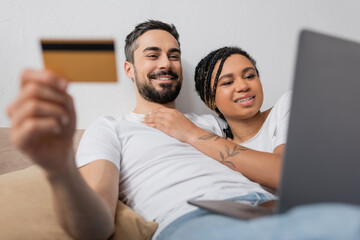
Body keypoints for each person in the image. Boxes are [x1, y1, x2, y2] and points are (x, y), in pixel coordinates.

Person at [7, 20, 360, 240]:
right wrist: (59, 170)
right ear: (130, 70)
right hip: (196, 219)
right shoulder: (110, 129)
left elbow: (271, 151)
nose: (166, 62)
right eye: (153, 54)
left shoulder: (215, 122)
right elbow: (96, 225)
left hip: (272, 207)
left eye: (174, 54)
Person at [143, 46, 289, 190]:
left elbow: (285, 174)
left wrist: (191, 133)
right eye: (227, 82)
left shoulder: (287, 105)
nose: (243, 86)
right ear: (211, 100)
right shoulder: (214, 148)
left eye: (249, 76)